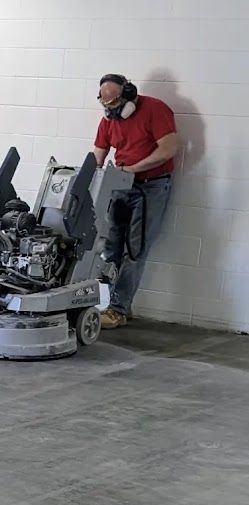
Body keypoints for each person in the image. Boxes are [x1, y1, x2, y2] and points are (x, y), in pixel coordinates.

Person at [92, 74, 178, 329]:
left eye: (114, 103)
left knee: (135, 249)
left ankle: (117, 309)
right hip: (119, 185)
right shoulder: (109, 119)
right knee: (112, 247)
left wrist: (134, 169)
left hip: (151, 186)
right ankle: (117, 305)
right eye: (104, 104)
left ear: (128, 94)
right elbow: (99, 153)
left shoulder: (155, 109)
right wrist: (91, 179)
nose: (110, 110)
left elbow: (168, 149)